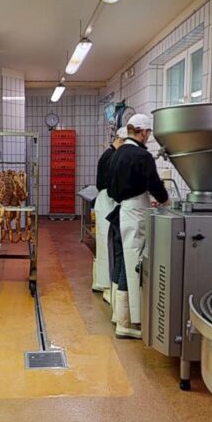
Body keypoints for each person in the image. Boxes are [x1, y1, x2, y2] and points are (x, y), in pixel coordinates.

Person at [106, 113, 168, 338]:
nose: (148, 136)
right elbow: (155, 185)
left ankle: (118, 314)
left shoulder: (117, 153)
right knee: (133, 267)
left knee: (123, 261)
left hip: (121, 210)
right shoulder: (142, 155)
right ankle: (127, 323)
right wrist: (165, 201)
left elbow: (111, 187)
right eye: (148, 132)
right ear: (142, 132)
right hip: (135, 214)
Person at [92, 127, 126, 304]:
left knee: (104, 245)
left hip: (105, 201)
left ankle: (101, 282)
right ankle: (106, 286)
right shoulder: (111, 156)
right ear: (121, 140)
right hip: (107, 201)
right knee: (107, 246)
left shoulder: (109, 154)